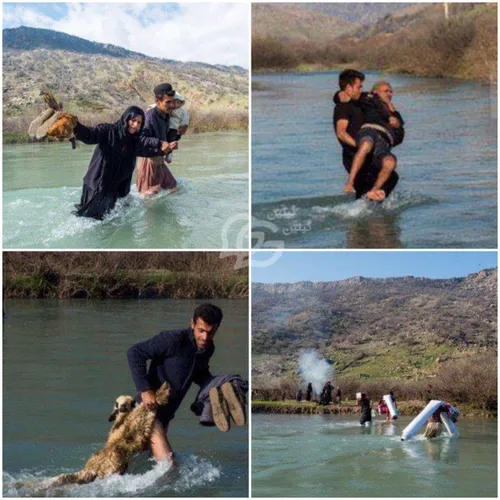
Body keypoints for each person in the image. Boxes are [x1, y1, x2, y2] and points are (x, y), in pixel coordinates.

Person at [127, 303, 231, 464]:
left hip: (165, 417)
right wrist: (145, 389)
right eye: (201, 330)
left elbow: (198, 373)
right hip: (146, 410)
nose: (205, 337)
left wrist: (218, 385)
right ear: (192, 324)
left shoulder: (208, 348)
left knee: (138, 462)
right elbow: (135, 352)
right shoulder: (172, 339)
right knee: (169, 464)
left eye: (210, 332)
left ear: (217, 328)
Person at [72, 106, 172, 220]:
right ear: (126, 118)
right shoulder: (108, 131)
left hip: (116, 189)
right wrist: (74, 125)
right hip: (97, 186)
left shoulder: (135, 140)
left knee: (108, 221)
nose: (135, 125)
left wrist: (163, 150)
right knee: (88, 220)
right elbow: (89, 134)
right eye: (133, 120)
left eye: (139, 122)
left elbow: (145, 150)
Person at [333, 69, 403, 201]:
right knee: (365, 190)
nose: (361, 89)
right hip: (354, 155)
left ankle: (370, 205)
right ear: (348, 87)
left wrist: (394, 116)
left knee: (392, 177)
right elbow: (341, 133)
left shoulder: (364, 101)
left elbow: (374, 98)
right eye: (359, 86)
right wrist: (359, 145)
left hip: (371, 153)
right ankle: (364, 210)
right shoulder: (343, 107)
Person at [136, 83, 179, 197]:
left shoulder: (165, 115)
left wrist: (171, 143)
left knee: (174, 188)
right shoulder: (150, 116)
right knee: (149, 198)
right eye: (167, 102)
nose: (171, 105)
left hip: (159, 161)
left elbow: (162, 137)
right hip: (148, 162)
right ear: (157, 101)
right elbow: (140, 138)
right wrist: (160, 143)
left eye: (172, 101)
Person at [165, 92, 190, 164]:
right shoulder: (167, 108)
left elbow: (185, 120)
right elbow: (157, 106)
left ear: (181, 103)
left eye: (178, 102)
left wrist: (182, 128)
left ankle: (169, 154)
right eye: (174, 102)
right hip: (166, 127)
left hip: (174, 129)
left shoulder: (182, 111)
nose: (175, 104)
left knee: (172, 141)